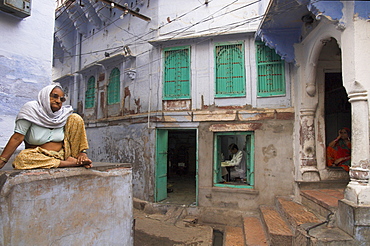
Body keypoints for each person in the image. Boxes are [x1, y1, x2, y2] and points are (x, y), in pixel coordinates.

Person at [0, 84, 92, 170]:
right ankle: (70, 163)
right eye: (54, 96)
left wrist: (82, 153)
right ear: (45, 96)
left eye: (62, 99)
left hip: (63, 154)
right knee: (22, 159)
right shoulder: (31, 110)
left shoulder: (63, 115)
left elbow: (77, 137)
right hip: (38, 155)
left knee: (75, 118)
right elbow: (17, 138)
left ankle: (78, 159)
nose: (59, 101)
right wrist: (2, 160)